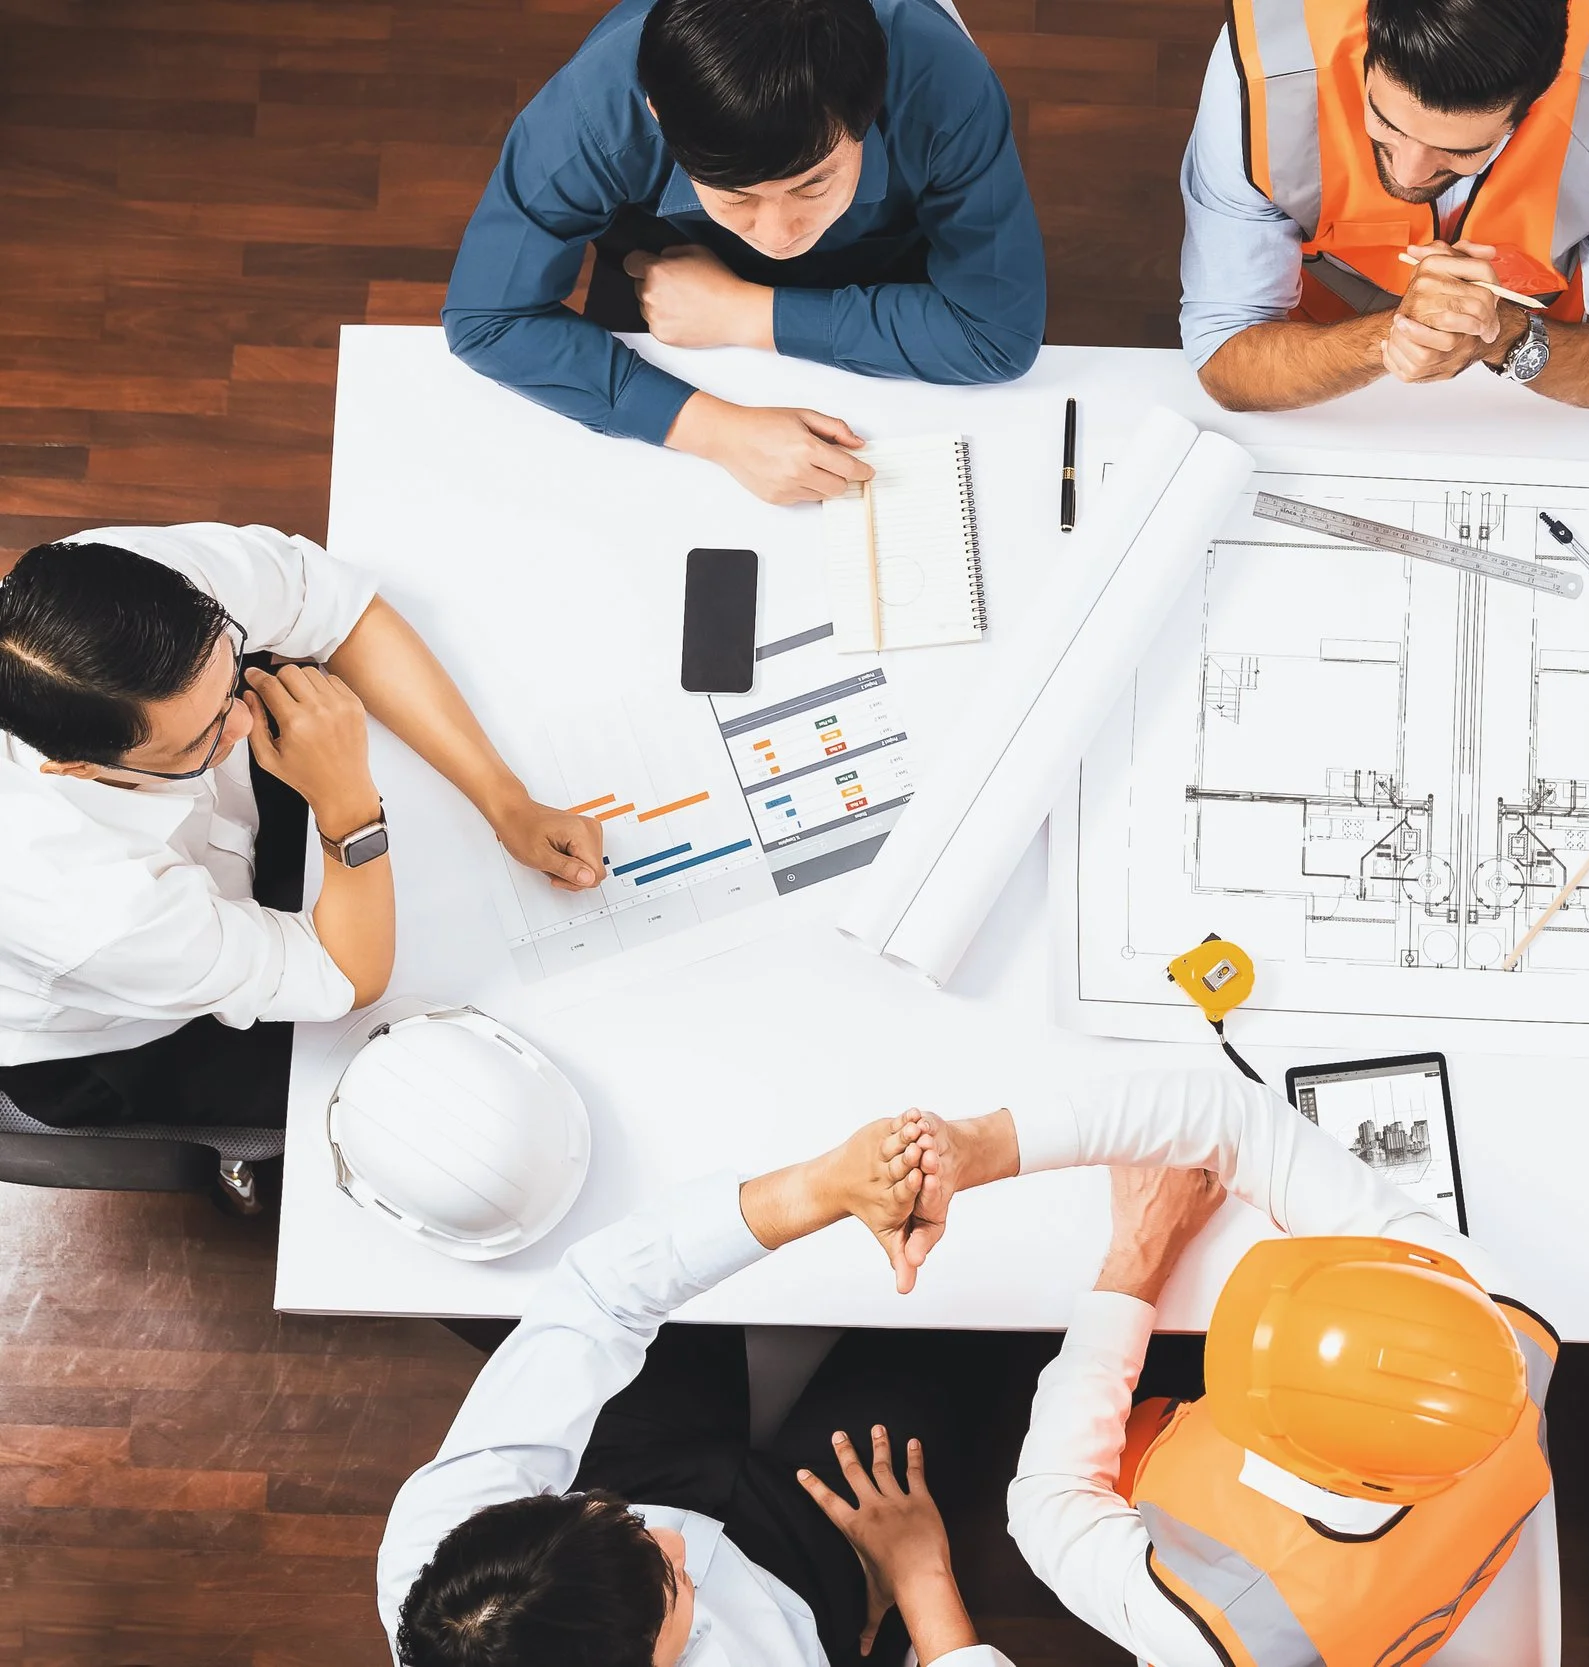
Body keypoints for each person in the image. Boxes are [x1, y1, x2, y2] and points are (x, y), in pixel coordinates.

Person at [0, 526, 599, 1209]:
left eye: (232, 678)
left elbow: (344, 612)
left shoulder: (126, 600)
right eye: (202, 740)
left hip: (234, 847)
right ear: (76, 767)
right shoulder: (90, 910)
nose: (244, 726)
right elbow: (347, 975)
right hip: (127, 1034)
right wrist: (346, 801)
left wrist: (505, 799)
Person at [894, 1071, 1558, 1666]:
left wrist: (1139, 1257)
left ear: (1281, 1463)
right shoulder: (1497, 1312)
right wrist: (979, 1146)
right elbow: (1234, 1113)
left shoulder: (1216, 1626)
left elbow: (1044, 1500)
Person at [381, 1115, 1015, 1667]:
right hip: (818, 1576)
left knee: (618, 1240)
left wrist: (824, 1185)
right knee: (970, 1302)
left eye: (623, 1526)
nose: (676, 1540)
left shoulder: (444, 1565)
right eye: (671, 1580)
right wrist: (918, 1573)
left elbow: (602, 1298)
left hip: (636, 1467)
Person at [442, 0, 1046, 506]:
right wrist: (716, 431)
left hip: (882, 273)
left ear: (869, 107)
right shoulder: (591, 113)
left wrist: (743, 312)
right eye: (736, 196)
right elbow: (489, 320)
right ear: (657, 113)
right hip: (665, 284)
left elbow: (995, 335)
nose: (779, 235)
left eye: (813, 183)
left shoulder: (944, 84)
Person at [1180, 0, 1589, 413]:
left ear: (1539, 99)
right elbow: (1224, 355)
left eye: (1461, 149)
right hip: (1317, 372)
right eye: (1386, 123)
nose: (1409, 173)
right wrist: (1398, 337)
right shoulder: (1266, 62)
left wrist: (1503, 335)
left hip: (1548, 382)